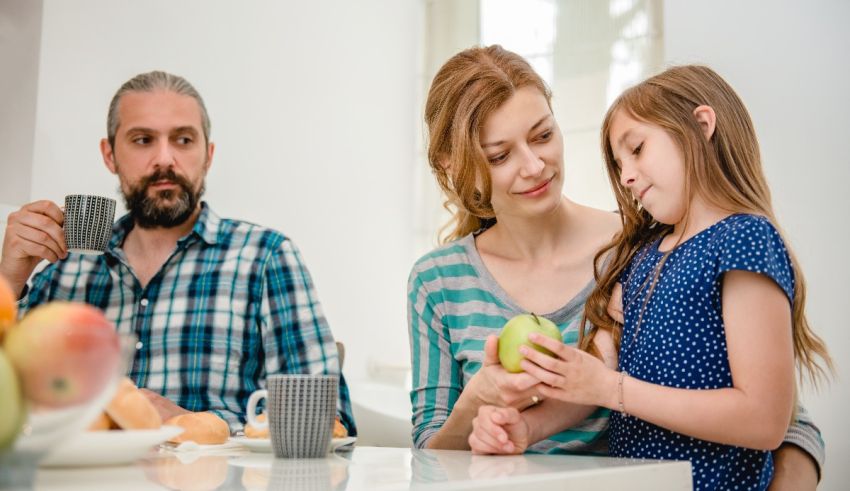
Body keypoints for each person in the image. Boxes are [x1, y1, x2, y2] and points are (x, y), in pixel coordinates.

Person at [408, 46, 824, 489]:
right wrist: (483, 405)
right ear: (456, 168)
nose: (534, 166)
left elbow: (781, 418)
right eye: (499, 156)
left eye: (543, 135)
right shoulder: (436, 282)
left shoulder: (638, 246)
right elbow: (426, 460)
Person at [0, 71, 356, 435]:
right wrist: (8, 280)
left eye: (183, 140)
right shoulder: (64, 268)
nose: (164, 159)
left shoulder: (265, 258)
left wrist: (193, 424)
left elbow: (330, 423)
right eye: (142, 140)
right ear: (109, 155)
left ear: (208, 155)